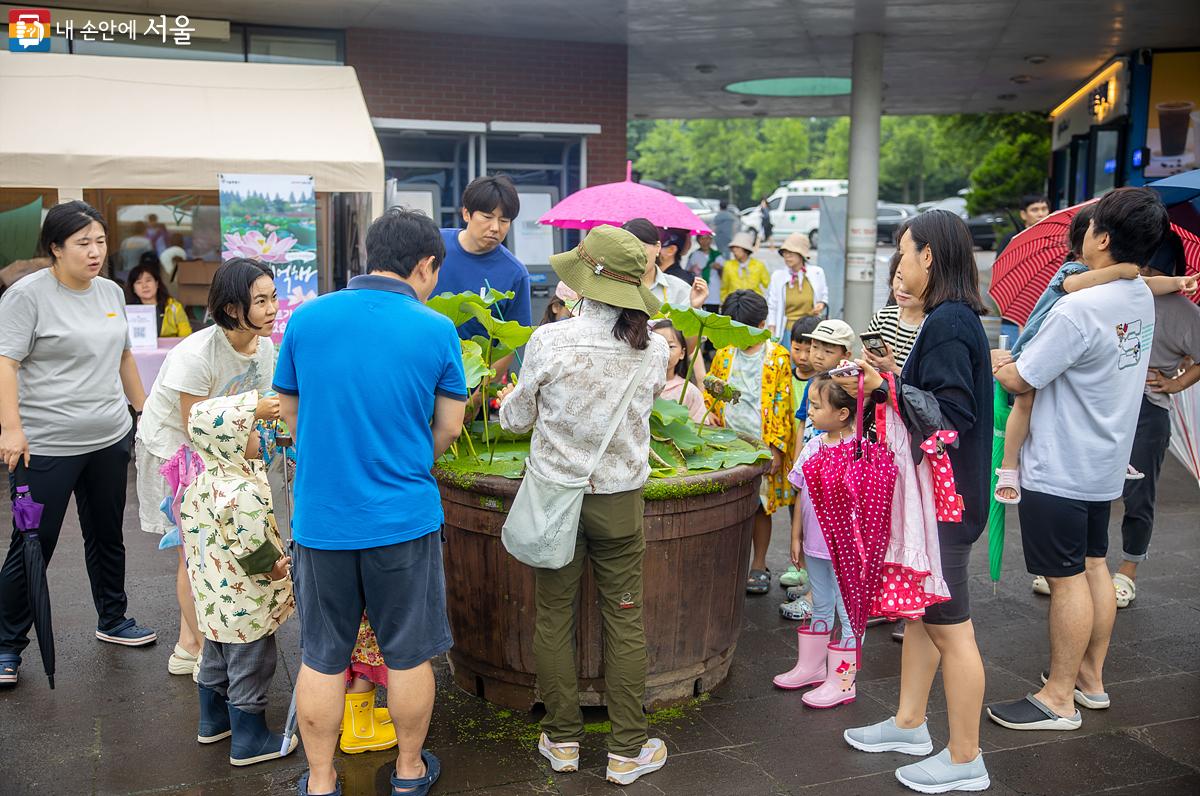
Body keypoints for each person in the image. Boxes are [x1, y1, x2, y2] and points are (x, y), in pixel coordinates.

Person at [273, 208, 466, 796]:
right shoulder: (435, 329)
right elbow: (451, 426)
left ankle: (322, 780)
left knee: (322, 656)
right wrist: (407, 454)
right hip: (403, 518)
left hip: (322, 519)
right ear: (426, 264)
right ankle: (408, 772)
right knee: (408, 655)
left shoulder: (307, 319)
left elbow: (287, 410)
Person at [496, 224, 671, 787]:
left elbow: (517, 418)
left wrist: (508, 403)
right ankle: (626, 749)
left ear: (585, 280)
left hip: (556, 500)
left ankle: (564, 740)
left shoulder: (550, 341)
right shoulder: (656, 347)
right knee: (625, 619)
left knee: (554, 616)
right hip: (620, 503)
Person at [986, 187, 1165, 734]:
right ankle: (1089, 680)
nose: (1083, 234)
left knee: (1065, 580)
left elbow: (1021, 378)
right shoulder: (1139, 297)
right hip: (1104, 459)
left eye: (1089, 227)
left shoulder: (1079, 308)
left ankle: (1057, 698)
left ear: (1103, 238)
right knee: (1093, 569)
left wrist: (999, 359)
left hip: (1059, 463)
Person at [843, 210, 992, 794]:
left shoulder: (950, 322)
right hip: (941, 498)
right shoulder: (948, 318)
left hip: (948, 503)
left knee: (951, 626)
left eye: (904, 252)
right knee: (923, 613)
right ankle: (909, 724)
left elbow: (950, 418)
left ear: (928, 256)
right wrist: (896, 378)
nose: (899, 264)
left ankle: (966, 757)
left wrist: (886, 386)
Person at [0, 200, 155, 689]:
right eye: (83, 243)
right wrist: (11, 429)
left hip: (108, 437)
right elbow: (6, 364)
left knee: (108, 534)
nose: (95, 252)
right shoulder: (27, 296)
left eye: (101, 242)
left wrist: (142, 412)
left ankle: (113, 619)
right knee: (32, 544)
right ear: (55, 248)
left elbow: (125, 355)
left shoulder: (109, 290)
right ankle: (6, 643)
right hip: (45, 445)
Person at [134, 258, 279, 678]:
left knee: (213, 549)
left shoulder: (265, 346)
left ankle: (187, 644)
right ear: (233, 309)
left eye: (273, 298)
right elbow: (193, 425)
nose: (272, 309)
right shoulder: (196, 354)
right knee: (195, 552)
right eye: (261, 301)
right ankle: (204, 655)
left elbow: (262, 415)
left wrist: (265, 445)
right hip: (177, 453)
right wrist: (252, 423)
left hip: (224, 450)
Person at [992, 208, 1187, 510]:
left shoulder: (1128, 290)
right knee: (1025, 400)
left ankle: (1114, 459)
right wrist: (1120, 271)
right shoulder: (1073, 272)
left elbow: (1147, 284)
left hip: (1083, 461)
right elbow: (1073, 287)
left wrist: (1177, 283)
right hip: (1035, 343)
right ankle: (1009, 466)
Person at [183, 391, 298, 766]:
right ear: (228, 439)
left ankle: (213, 721)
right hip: (245, 600)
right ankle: (249, 740)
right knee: (252, 663)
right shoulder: (240, 491)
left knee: (215, 658)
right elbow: (251, 545)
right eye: (249, 431)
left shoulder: (199, 483)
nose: (257, 438)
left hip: (213, 599)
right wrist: (277, 567)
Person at [1115, 230, 1200, 608]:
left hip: (1149, 409)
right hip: (1107, 401)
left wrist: (1175, 383)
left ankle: (1128, 570)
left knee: (1139, 493)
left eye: (1150, 266)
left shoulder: (1185, 311)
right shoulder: (1118, 294)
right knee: (1086, 484)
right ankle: (1074, 567)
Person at [774, 374, 860, 707]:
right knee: (821, 603)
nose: (808, 411)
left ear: (841, 413)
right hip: (815, 543)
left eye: (815, 405)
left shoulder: (859, 450)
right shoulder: (814, 445)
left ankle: (843, 679)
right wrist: (796, 536)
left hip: (845, 548)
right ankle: (812, 667)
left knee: (848, 609)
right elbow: (803, 495)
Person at [705, 290, 795, 595]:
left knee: (760, 507)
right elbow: (713, 387)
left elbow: (784, 404)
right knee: (729, 505)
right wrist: (712, 411)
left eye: (747, 330)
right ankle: (730, 563)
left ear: (762, 324)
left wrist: (777, 447)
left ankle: (759, 564)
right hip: (729, 441)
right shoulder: (725, 353)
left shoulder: (777, 357)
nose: (740, 336)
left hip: (761, 443)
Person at [434, 175, 531, 376]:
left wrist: (477, 398)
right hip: (424, 366)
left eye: (504, 220)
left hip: (473, 383)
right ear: (466, 214)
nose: (496, 227)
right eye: (487, 217)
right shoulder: (433, 245)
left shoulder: (515, 273)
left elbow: (509, 346)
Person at [624, 218, 709, 382]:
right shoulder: (611, 289)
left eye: (640, 247)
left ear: (657, 247)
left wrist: (695, 308)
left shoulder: (679, 290)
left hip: (664, 381)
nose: (633, 253)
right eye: (626, 248)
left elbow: (689, 347)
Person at [996, 194, 1051, 345]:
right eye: (1034, 209)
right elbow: (1002, 272)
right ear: (1023, 214)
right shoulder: (1011, 240)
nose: (1041, 213)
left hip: (1044, 311)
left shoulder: (1053, 240)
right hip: (1014, 314)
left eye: (1044, 209)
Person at [794, 319, 855, 447]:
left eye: (828, 351)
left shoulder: (849, 388)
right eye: (815, 347)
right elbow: (803, 423)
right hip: (809, 455)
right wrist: (797, 461)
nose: (818, 355)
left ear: (846, 355)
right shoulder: (813, 382)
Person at [865, 250, 925, 374]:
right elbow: (866, 368)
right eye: (899, 277)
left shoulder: (933, 326)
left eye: (911, 280)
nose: (902, 287)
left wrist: (893, 369)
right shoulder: (882, 318)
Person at [766, 232, 828, 342]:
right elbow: (772, 306)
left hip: (811, 330)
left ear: (801, 255)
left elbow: (824, 296)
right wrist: (772, 330)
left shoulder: (817, 273)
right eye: (785, 253)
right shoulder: (778, 276)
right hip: (787, 331)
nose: (787, 256)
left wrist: (821, 304)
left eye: (791, 253)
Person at [651, 320, 706, 422]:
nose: (664, 351)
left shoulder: (690, 392)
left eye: (671, 346)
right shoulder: (639, 384)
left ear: (682, 353)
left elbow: (700, 427)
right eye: (657, 345)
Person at [125, 256, 193, 338]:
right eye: (139, 282)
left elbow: (186, 336)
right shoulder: (129, 312)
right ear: (134, 289)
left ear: (157, 284)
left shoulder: (174, 307)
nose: (144, 286)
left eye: (148, 280)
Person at [720, 233, 770, 302]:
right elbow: (724, 287)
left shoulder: (758, 265)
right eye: (733, 248)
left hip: (754, 303)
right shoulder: (728, 265)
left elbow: (768, 285)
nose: (734, 251)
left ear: (745, 250)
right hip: (734, 304)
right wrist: (725, 302)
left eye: (737, 248)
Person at [686, 232, 723, 312]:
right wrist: (692, 269)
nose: (705, 241)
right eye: (702, 238)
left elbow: (724, 276)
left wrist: (720, 268)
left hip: (714, 292)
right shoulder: (694, 255)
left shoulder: (717, 255)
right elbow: (687, 272)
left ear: (711, 240)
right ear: (698, 240)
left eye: (708, 238)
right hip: (698, 290)